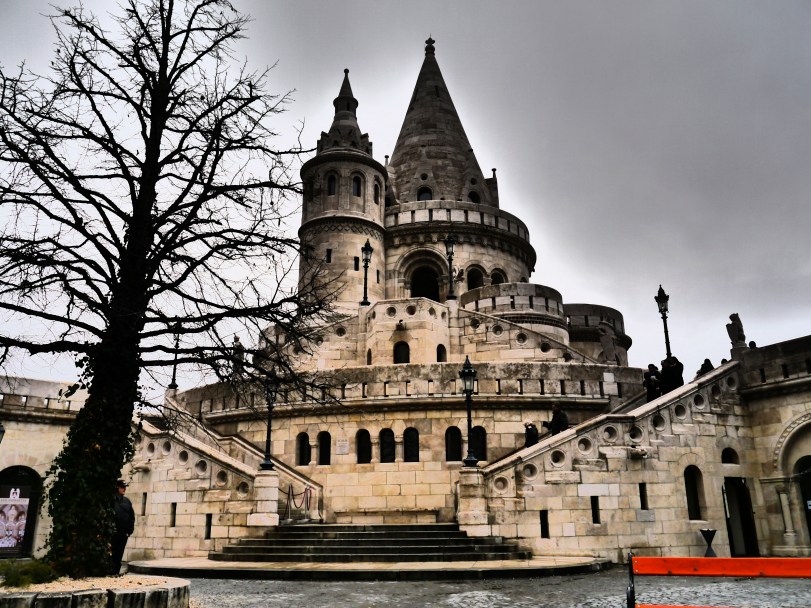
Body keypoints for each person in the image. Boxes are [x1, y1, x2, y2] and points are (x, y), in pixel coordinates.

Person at [111, 479, 135, 575]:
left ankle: (116, 572)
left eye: (125, 487)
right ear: (117, 488)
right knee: (112, 553)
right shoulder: (111, 500)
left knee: (119, 553)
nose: (124, 489)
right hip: (113, 532)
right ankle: (110, 572)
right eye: (122, 487)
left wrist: (129, 531)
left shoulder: (127, 501)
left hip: (123, 533)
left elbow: (131, 517)